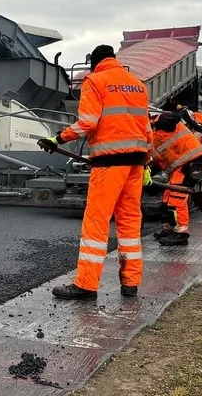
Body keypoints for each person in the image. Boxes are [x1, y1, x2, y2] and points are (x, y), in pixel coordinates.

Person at [38, 44, 151, 300]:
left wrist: (58, 139)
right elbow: (146, 129)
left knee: (97, 222)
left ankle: (86, 285)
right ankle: (131, 282)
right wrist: (147, 163)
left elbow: (88, 122)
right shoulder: (138, 85)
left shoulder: (95, 81)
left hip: (109, 164)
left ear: (94, 63)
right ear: (114, 59)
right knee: (130, 222)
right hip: (135, 163)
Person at [146, 111, 202, 246]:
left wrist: (159, 123)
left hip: (191, 162)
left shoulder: (160, 121)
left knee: (177, 200)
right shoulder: (151, 136)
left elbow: (175, 116)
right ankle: (169, 229)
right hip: (180, 166)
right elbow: (158, 160)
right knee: (167, 199)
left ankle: (181, 233)